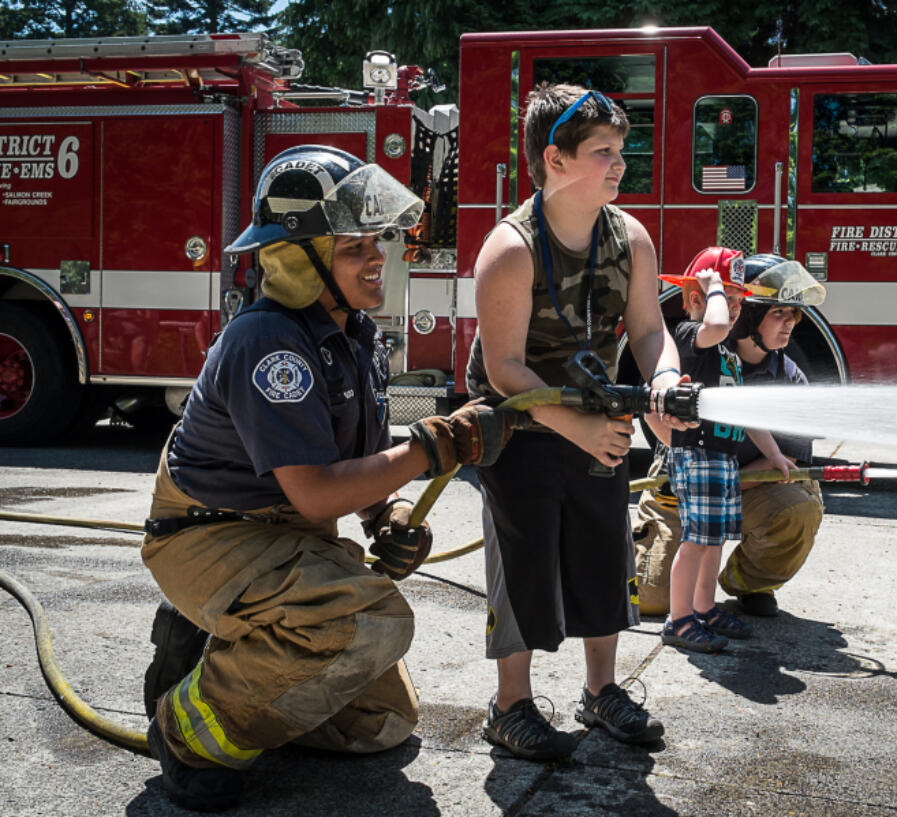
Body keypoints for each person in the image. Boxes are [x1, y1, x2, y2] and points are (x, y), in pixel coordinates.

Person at [140, 144, 517, 811]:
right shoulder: (266, 342)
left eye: (376, 241)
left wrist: (391, 515)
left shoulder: (357, 335)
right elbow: (314, 490)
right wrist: (430, 450)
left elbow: (360, 470)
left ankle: (227, 653)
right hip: (210, 536)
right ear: (294, 258)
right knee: (371, 624)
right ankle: (187, 730)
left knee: (383, 723)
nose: (378, 257)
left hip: (284, 538)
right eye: (353, 247)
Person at [467, 83, 690, 761]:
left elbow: (651, 330)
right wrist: (577, 427)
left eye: (621, 150)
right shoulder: (509, 248)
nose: (619, 164)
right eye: (603, 151)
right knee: (524, 553)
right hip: (519, 421)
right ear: (554, 160)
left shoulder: (631, 238)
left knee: (604, 548)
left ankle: (600, 692)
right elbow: (505, 369)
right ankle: (511, 705)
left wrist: (665, 378)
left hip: (596, 415)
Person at [635, 253, 827, 620]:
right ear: (748, 315)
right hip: (688, 480)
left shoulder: (789, 378)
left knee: (796, 506)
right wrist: (689, 475)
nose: (791, 324)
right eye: (778, 313)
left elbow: (791, 459)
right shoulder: (697, 351)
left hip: (745, 484)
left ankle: (748, 583)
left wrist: (727, 483)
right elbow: (651, 405)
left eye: (794, 314)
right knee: (650, 601)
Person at [657, 247, 794, 653]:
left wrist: (772, 454)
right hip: (696, 455)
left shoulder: (727, 354)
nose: (733, 310)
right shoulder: (691, 336)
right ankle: (678, 620)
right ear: (696, 299)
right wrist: (714, 285)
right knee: (696, 539)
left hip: (722, 459)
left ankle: (703, 607)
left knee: (714, 538)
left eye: (737, 302)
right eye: (727, 300)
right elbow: (715, 325)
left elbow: (744, 410)